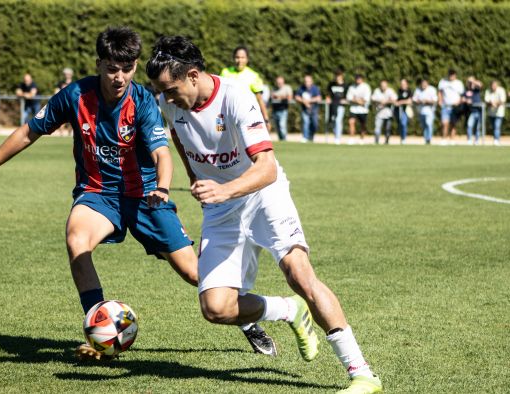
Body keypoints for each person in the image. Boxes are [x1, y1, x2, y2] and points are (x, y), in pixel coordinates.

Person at [0, 26, 273, 361]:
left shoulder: (143, 102)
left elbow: (162, 153)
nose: (120, 77)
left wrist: (162, 187)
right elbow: (29, 132)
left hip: (147, 196)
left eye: (128, 69)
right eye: (112, 68)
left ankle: (247, 320)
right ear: (99, 64)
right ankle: (100, 335)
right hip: (98, 193)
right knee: (77, 241)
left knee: (196, 276)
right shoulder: (75, 96)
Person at [146, 35, 382, 394]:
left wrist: (224, 188)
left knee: (299, 274)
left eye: (170, 89)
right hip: (221, 207)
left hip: (262, 194)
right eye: (160, 91)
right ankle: (289, 310)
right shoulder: (171, 104)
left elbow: (267, 168)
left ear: (193, 76)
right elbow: (181, 138)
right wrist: (198, 180)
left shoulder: (236, 96)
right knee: (216, 308)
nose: (165, 97)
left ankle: (362, 373)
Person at [220, 46, 270, 128]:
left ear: (247, 59)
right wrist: (219, 122)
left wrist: (266, 119)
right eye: (237, 57)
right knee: (222, 139)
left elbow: (260, 99)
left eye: (243, 57)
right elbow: (219, 98)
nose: (240, 60)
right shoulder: (225, 73)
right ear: (233, 58)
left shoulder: (253, 76)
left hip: (247, 119)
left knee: (248, 140)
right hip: (227, 117)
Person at [437, 69, 464, 145]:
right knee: (444, 123)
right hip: (445, 106)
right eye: (450, 74)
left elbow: (462, 95)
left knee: (453, 123)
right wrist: (440, 100)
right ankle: (444, 138)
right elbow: (440, 92)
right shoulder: (443, 82)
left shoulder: (459, 83)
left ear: (455, 75)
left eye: (452, 75)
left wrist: (458, 102)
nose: (451, 76)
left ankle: (452, 139)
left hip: (455, 107)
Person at [295, 74, 322, 143]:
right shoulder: (301, 88)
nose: (307, 83)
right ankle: (305, 137)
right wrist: (304, 102)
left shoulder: (315, 88)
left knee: (314, 124)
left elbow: (319, 98)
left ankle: (311, 136)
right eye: (306, 81)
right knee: (305, 123)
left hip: (314, 109)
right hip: (305, 109)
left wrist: (308, 101)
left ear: (311, 82)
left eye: (308, 81)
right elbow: (297, 97)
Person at [346, 74, 371, 144]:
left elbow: (366, 100)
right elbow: (349, 98)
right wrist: (358, 101)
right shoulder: (352, 87)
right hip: (353, 109)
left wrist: (356, 99)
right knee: (351, 122)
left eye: (359, 79)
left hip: (363, 110)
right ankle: (351, 138)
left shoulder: (366, 87)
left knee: (362, 125)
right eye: (357, 79)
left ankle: (362, 138)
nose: (358, 80)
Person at [413, 78, 438, 144]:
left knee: (428, 123)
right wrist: (420, 101)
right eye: (422, 84)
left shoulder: (432, 89)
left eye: (425, 83)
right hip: (421, 111)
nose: (423, 85)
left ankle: (429, 138)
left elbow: (435, 100)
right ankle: (426, 139)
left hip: (430, 110)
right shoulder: (418, 90)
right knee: (424, 125)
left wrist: (427, 101)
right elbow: (414, 99)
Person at [371, 80, 397, 144]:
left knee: (387, 129)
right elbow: (372, 99)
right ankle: (376, 142)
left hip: (388, 114)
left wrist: (386, 102)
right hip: (379, 113)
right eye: (382, 86)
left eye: (384, 86)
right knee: (377, 128)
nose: (383, 87)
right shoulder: (377, 91)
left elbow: (394, 100)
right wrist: (380, 101)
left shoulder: (390, 91)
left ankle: (386, 142)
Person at [326, 69, 348, 144]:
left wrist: (345, 100)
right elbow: (328, 94)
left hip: (341, 106)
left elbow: (348, 96)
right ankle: (336, 135)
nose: (337, 77)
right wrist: (328, 98)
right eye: (336, 75)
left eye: (338, 75)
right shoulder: (331, 84)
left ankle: (337, 138)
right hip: (332, 106)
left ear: (342, 76)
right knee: (332, 121)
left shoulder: (345, 85)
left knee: (338, 120)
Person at [270, 75, 293, 141]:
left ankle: (284, 139)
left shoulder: (287, 88)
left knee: (282, 126)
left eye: (280, 83)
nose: (279, 84)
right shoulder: (274, 88)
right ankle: (281, 140)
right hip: (275, 110)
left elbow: (289, 97)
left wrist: (279, 97)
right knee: (277, 127)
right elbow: (272, 96)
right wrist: (281, 97)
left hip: (283, 110)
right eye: (278, 83)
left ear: (283, 82)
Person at [484, 80, 506, 146]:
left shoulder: (501, 90)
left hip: (499, 113)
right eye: (492, 86)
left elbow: (503, 100)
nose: (494, 87)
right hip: (491, 113)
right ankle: (495, 139)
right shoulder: (488, 91)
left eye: (495, 86)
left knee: (497, 126)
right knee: (494, 127)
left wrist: (496, 103)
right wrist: (491, 102)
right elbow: (486, 100)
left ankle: (496, 140)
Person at [54, 67, 75, 137]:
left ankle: (70, 133)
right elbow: (56, 92)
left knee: (73, 120)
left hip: (72, 104)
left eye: (68, 74)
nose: (67, 75)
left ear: (71, 74)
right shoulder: (60, 83)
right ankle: (61, 134)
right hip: (62, 104)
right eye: (66, 74)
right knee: (61, 120)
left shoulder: (74, 83)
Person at [462, 76, 483, 145]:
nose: (470, 83)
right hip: (472, 112)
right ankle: (469, 140)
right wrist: (466, 100)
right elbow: (462, 98)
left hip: (479, 111)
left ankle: (476, 140)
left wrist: (473, 81)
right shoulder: (466, 91)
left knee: (478, 127)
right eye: (469, 82)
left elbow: (480, 85)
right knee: (469, 125)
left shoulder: (476, 89)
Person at [395, 79, 413, 145]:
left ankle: (403, 138)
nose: (402, 85)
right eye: (401, 84)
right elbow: (395, 101)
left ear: (407, 84)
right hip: (398, 111)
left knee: (403, 124)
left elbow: (409, 101)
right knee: (400, 125)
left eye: (404, 84)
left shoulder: (409, 91)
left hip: (406, 111)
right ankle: (402, 137)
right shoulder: (398, 91)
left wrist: (401, 102)